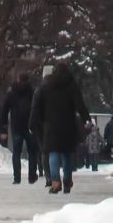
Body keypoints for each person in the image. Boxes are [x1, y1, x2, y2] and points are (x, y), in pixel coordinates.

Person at [29, 63, 90, 194]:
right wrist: (86, 119)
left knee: (53, 153)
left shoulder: (45, 87)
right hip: (68, 124)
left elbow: (36, 106)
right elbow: (80, 104)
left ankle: (55, 181)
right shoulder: (71, 85)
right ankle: (67, 181)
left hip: (50, 125)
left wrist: (33, 123)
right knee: (66, 154)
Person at [0, 73, 40, 184]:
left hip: (16, 126)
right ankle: (32, 176)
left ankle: (17, 178)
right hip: (30, 126)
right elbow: (38, 109)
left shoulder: (11, 93)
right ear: (28, 80)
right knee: (32, 152)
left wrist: (3, 128)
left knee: (16, 153)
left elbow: (4, 111)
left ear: (18, 79)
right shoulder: (32, 92)